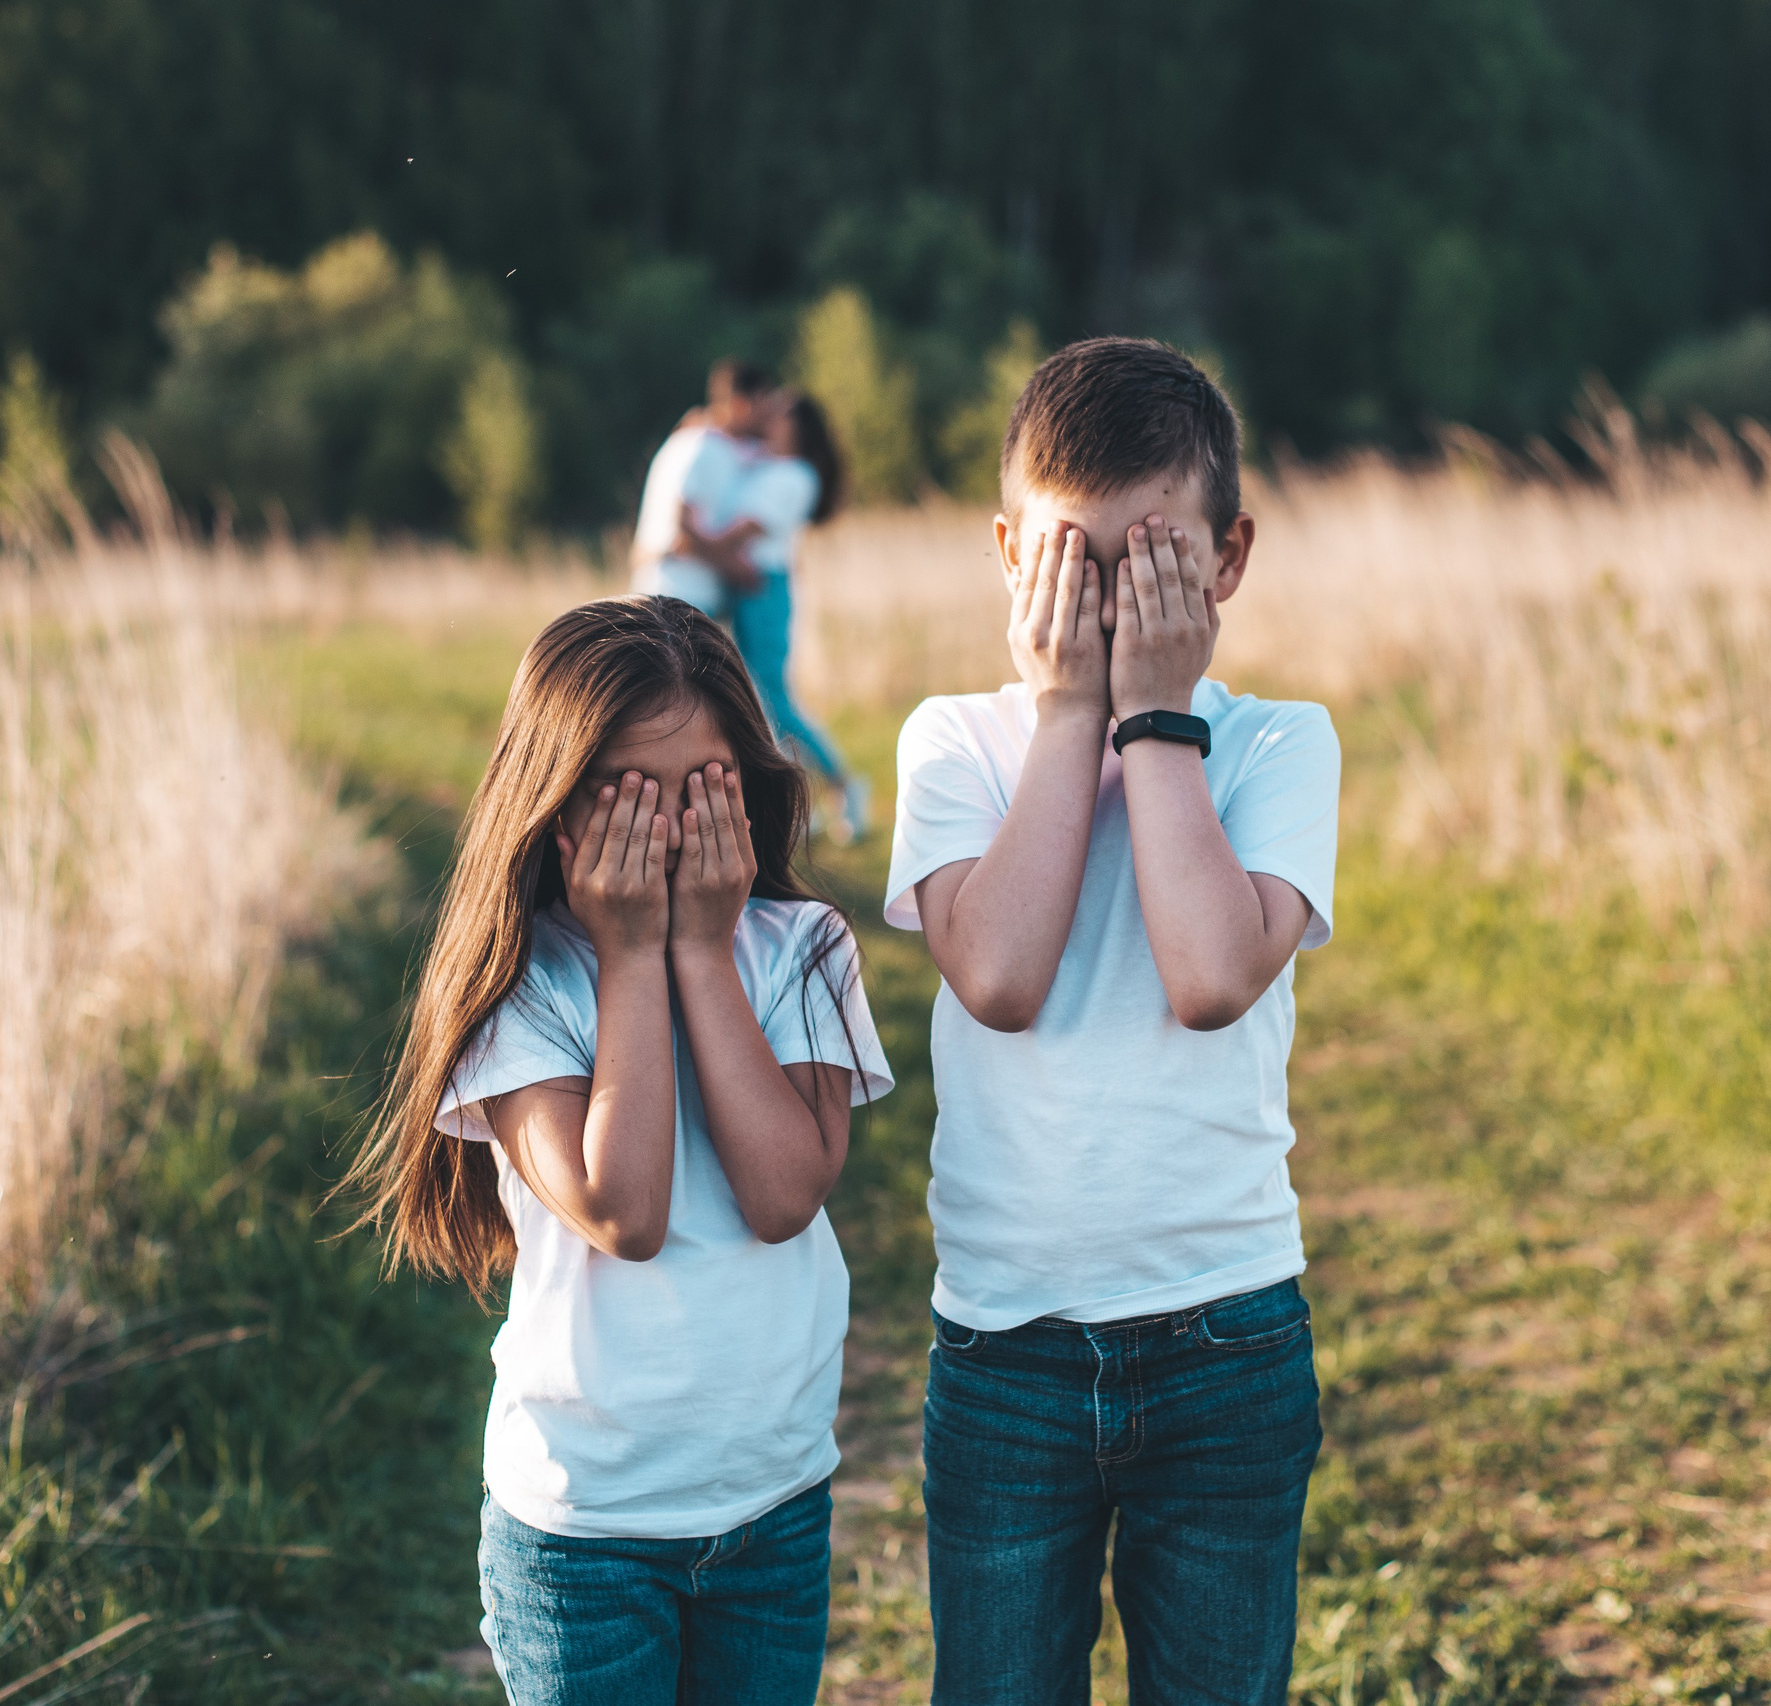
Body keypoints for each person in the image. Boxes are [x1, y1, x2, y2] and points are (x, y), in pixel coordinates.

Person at [882, 338, 1340, 1704]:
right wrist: (1071, 708)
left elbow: (1209, 975)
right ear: (1008, 552)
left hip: (1227, 1338)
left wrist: (1152, 715)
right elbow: (1002, 979)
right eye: (1072, 566)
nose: (1106, 602)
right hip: (1007, 1354)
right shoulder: (952, 742)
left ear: (1228, 561)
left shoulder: (1277, 743)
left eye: (1147, 564)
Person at [344, 595, 892, 1705]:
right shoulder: (524, 989)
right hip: (582, 1536)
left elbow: (785, 1190)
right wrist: (636, 953)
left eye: (702, 789)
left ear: (750, 780)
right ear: (557, 814)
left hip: (771, 1504)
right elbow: (623, 1208)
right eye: (633, 797)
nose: (674, 829)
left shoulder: (802, 950)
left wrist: (703, 949)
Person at [723, 391, 873, 844]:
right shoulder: (770, 465)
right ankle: (805, 800)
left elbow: (744, 528)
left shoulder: (794, 475)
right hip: (750, 587)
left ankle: (845, 784)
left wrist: (690, 539)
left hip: (764, 588)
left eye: (781, 413)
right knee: (762, 701)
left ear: (800, 427)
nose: (768, 416)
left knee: (773, 700)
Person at [629, 360, 771, 618]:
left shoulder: (686, 441)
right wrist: (736, 569)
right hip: (680, 597)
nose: (767, 414)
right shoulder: (704, 448)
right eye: (762, 403)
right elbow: (681, 527)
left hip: (668, 590)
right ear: (740, 405)